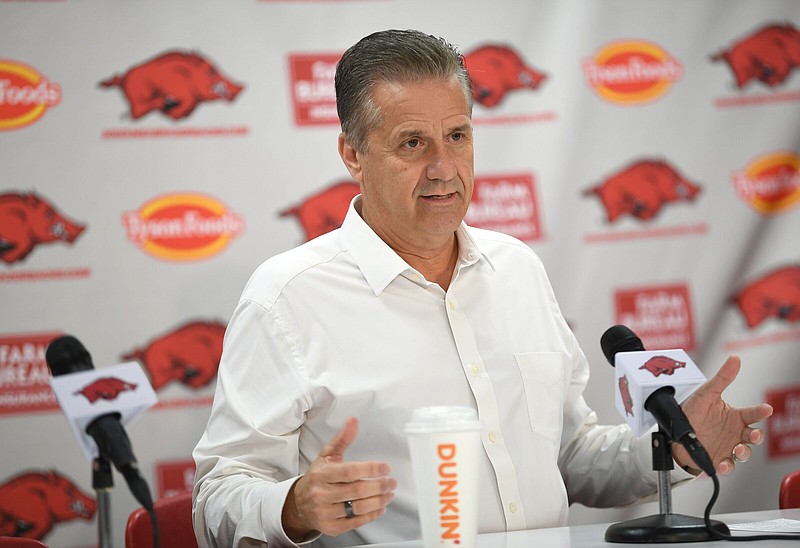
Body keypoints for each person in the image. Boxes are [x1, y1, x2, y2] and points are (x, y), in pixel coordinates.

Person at [192, 29, 772, 548]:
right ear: (352, 154)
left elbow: (569, 459)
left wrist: (673, 445)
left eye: (458, 135)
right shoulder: (287, 297)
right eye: (412, 143)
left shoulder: (516, 267)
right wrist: (292, 508)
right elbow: (216, 500)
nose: (445, 167)